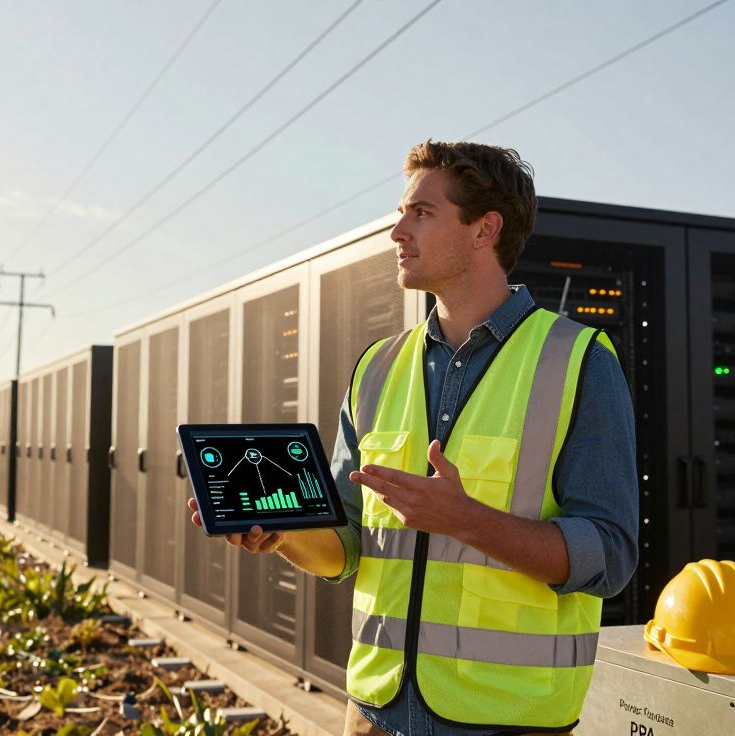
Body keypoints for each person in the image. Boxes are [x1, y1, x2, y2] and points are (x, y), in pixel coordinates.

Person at [188, 140, 638, 735]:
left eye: (421, 213)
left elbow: (609, 557)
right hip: (371, 714)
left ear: (485, 229)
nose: (398, 231)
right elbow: (346, 545)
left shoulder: (578, 361)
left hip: (507, 722)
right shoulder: (376, 368)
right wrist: (285, 533)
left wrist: (465, 519)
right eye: (402, 212)